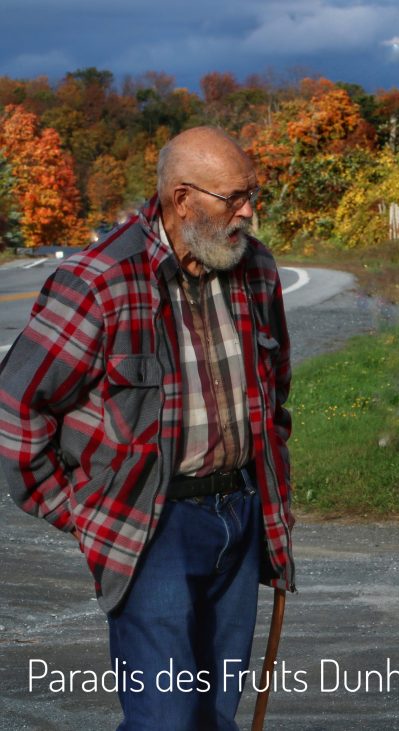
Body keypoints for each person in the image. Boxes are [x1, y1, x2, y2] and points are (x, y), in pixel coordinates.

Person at [0, 126, 295, 730]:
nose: (249, 212)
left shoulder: (256, 269)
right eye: (234, 198)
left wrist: (272, 494)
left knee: (215, 714)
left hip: (238, 514)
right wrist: (77, 509)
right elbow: (15, 403)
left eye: (252, 195)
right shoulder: (100, 281)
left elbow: (275, 393)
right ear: (182, 200)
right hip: (152, 527)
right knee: (165, 717)